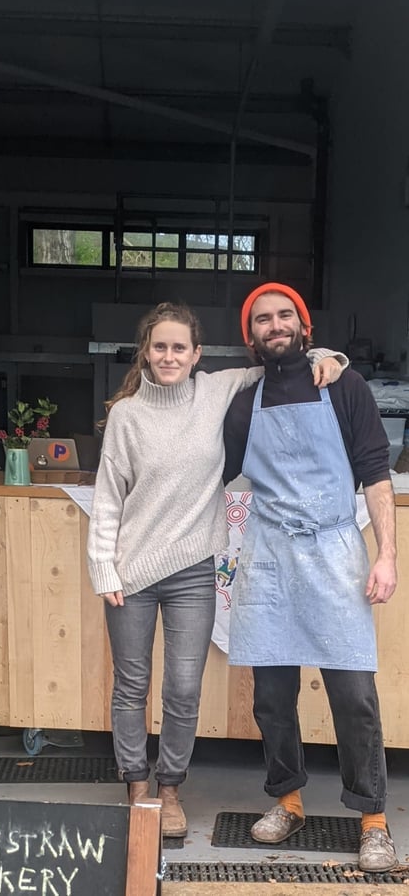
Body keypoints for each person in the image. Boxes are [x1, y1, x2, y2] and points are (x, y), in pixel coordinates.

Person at [87, 301, 347, 838]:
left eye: (179, 347)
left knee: (183, 689)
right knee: (131, 686)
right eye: (160, 346)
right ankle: (137, 787)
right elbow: (108, 498)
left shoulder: (216, 390)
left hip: (193, 571)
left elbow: (278, 359)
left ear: (196, 353)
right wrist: (103, 569)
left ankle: (170, 789)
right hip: (131, 573)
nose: (169, 356)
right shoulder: (127, 416)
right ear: (145, 352)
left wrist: (329, 356)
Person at [223, 282, 398, 873]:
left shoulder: (344, 386)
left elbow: (376, 473)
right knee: (272, 697)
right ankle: (288, 801)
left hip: (333, 551)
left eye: (285, 315)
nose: (275, 325)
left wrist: (387, 554)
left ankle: (372, 819)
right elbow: (213, 471)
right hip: (269, 554)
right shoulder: (243, 404)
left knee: (354, 696)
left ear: (304, 325)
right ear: (251, 336)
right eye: (263, 319)